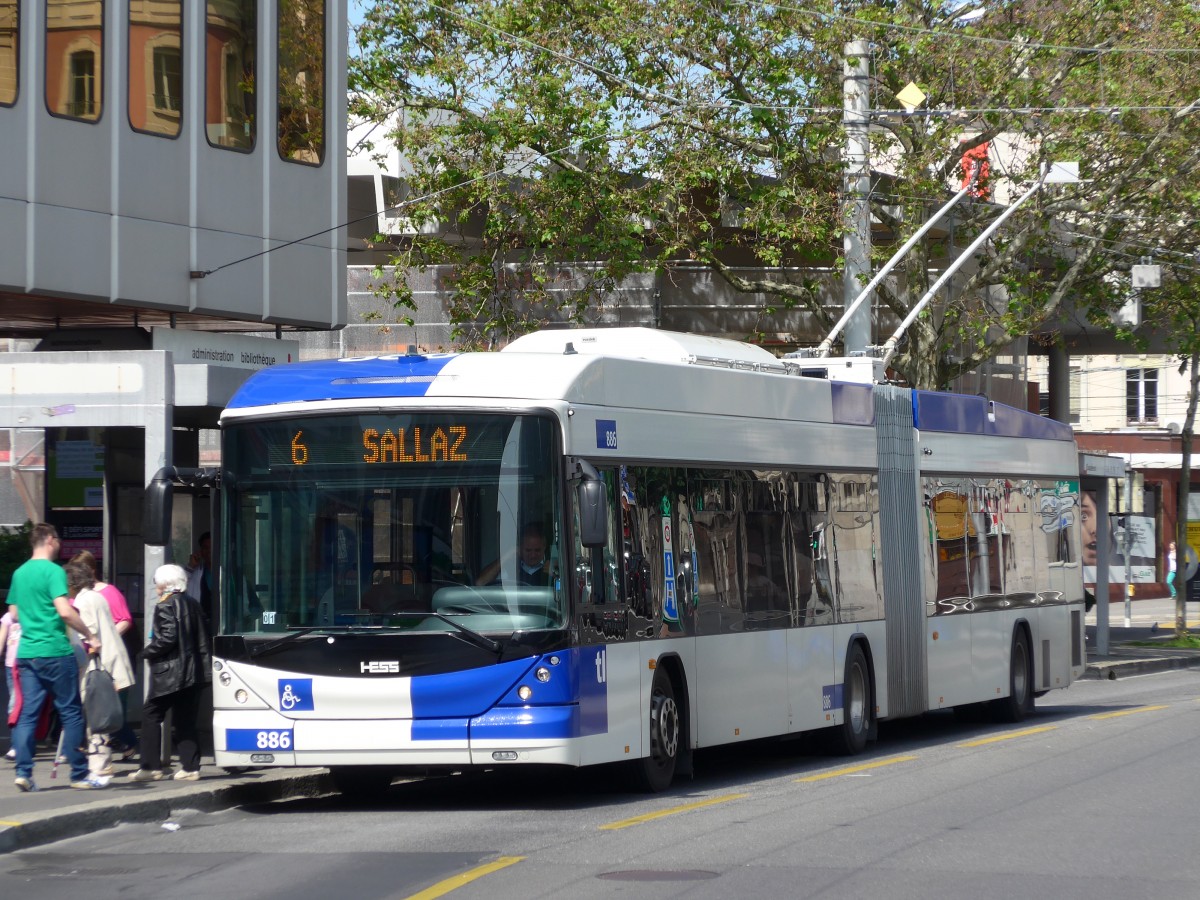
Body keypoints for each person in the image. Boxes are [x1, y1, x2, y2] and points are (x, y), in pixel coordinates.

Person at [7, 523, 107, 792]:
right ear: (50, 540)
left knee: (28, 713)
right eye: (58, 540)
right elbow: (64, 611)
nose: (60, 544)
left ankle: (24, 773)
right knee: (71, 713)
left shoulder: (20, 572)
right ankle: (78, 773)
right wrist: (88, 634)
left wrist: (33, 614)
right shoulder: (53, 571)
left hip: (27, 653)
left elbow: (14, 613)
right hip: (55, 650)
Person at [128, 564, 211, 783]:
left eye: (156, 581)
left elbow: (167, 638)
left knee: (151, 714)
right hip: (194, 672)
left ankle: (149, 766)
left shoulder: (165, 605)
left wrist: (145, 653)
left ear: (165, 584)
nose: (155, 585)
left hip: (170, 673)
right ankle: (191, 767)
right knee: (185, 720)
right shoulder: (193, 604)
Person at [66, 561, 135, 781]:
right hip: (112, 661)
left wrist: (79, 655)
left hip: (98, 665)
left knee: (95, 716)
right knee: (103, 714)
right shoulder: (96, 596)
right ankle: (104, 761)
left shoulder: (83, 602)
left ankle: (100, 764)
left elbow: (91, 638)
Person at [476, 524, 551, 587]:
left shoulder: (553, 567)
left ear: (544, 547)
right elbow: (480, 583)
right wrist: (505, 558)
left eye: (537, 550)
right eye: (528, 550)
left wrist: (555, 574)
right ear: (519, 548)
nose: (533, 555)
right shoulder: (509, 567)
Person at [1, 609, 19, 760]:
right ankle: (17, 745)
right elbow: (1, 639)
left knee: (21, 705)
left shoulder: (30, 614)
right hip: (10, 666)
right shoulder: (7, 617)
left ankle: (20, 745)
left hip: (27, 664)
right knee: (13, 705)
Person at [186, 531, 215, 626]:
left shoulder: (230, 574)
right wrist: (190, 567)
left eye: (212, 547)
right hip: (200, 626)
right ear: (201, 551)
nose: (209, 551)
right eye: (205, 548)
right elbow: (178, 587)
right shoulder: (194, 573)